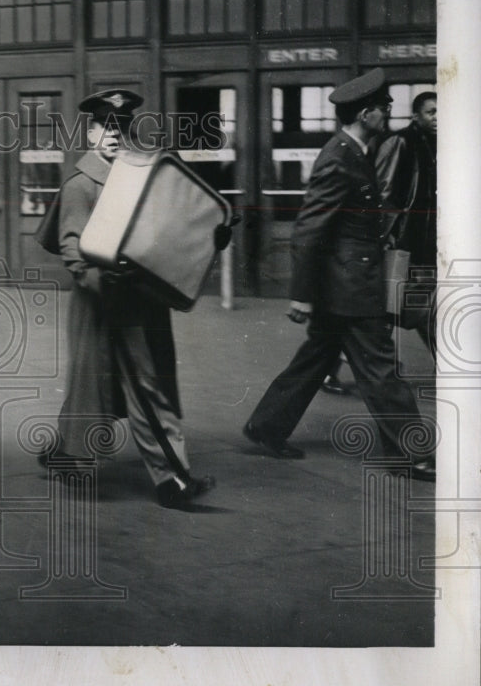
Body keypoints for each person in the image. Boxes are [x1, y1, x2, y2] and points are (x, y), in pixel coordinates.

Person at [242, 68, 435, 482]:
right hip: (351, 285)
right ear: (366, 114)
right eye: (383, 108)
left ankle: (266, 425)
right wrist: (300, 294)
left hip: (346, 280)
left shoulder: (355, 152)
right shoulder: (340, 156)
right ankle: (410, 454)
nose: (388, 114)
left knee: (316, 358)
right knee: (380, 366)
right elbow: (310, 227)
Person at [33, 90, 216, 509]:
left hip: (139, 300)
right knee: (143, 388)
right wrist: (102, 281)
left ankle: (66, 452)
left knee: (98, 385)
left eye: (121, 127)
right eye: (105, 127)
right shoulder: (81, 184)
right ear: (91, 131)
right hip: (106, 304)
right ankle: (173, 479)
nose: (114, 135)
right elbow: (72, 249)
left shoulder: (138, 174)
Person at [375, 90, 438, 356]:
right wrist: (385, 236)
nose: (439, 118)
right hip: (403, 241)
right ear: (416, 115)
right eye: (431, 112)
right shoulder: (401, 142)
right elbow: (383, 191)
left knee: (415, 306)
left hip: (425, 242)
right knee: (393, 308)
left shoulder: (438, 143)